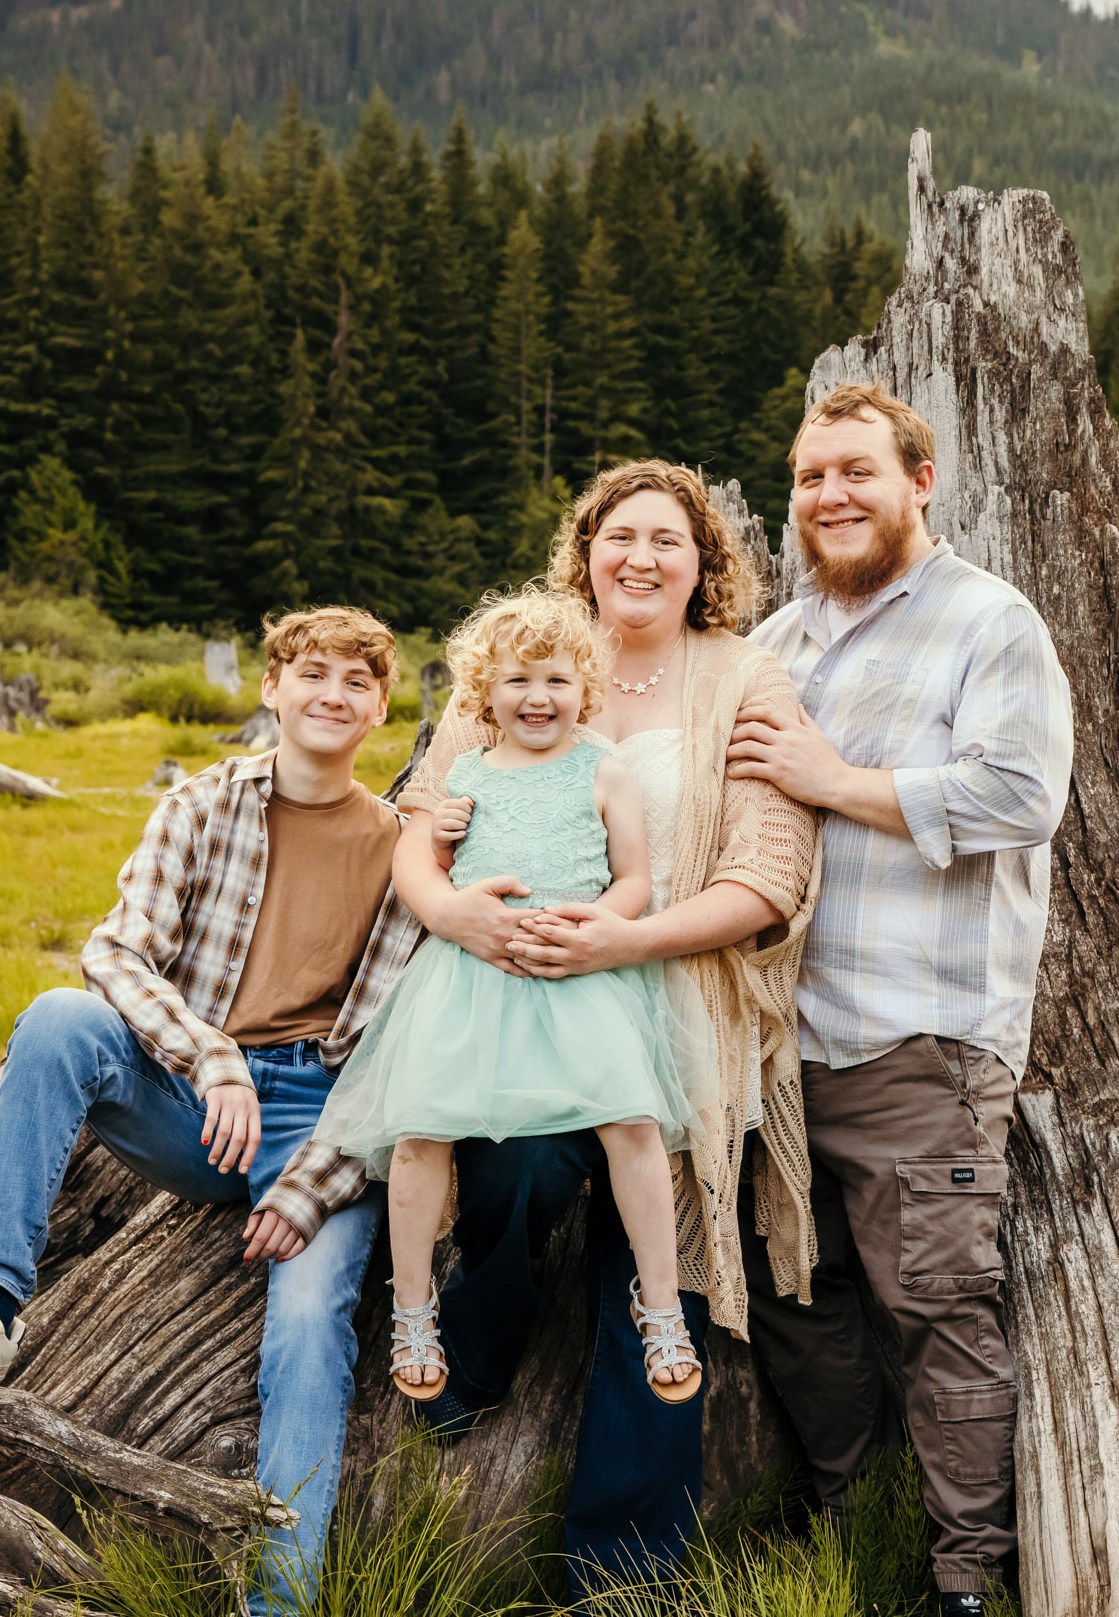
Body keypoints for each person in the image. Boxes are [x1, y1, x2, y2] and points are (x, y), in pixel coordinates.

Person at [257, 459, 820, 1594]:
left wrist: (622, 939)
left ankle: (624, 1572)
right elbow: (423, 826)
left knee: (652, 1274)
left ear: (704, 562)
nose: (642, 558)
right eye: (621, 536)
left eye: (669, 539)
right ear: (587, 552)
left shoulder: (742, 679)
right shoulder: (516, 669)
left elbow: (770, 871)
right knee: (509, 1171)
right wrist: (455, 912)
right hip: (510, 995)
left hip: (678, 1013)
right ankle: (463, 1350)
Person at [0, 607, 421, 1616]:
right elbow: (115, 952)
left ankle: (280, 1604)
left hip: (321, 1120)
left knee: (306, 1329)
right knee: (61, 1017)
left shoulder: (402, 849)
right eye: (313, 673)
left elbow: (397, 1052)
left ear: (381, 707)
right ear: (272, 686)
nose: (332, 694)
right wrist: (211, 1055)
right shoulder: (203, 805)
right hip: (200, 1101)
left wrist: (318, 1178)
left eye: (356, 682)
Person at [728, 383, 1072, 1617]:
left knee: (938, 1305)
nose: (831, 494)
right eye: (812, 475)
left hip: (918, 1040)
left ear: (920, 480)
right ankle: (852, 1525)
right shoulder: (774, 643)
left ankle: (967, 1578)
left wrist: (834, 776)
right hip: (774, 1049)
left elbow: (1019, 796)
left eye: (857, 471)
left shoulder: (991, 622)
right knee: (794, 1300)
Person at [312, 591, 706, 1406]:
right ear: (484, 692)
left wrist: (596, 925)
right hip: (470, 981)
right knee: (423, 1133)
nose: (538, 696)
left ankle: (661, 1303)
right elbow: (426, 859)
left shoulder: (602, 768)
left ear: (586, 688)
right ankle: (414, 1307)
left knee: (631, 1123)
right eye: (518, 679)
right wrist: (448, 841)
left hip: (580, 977)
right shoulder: (461, 775)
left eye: (558, 679)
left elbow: (635, 879)